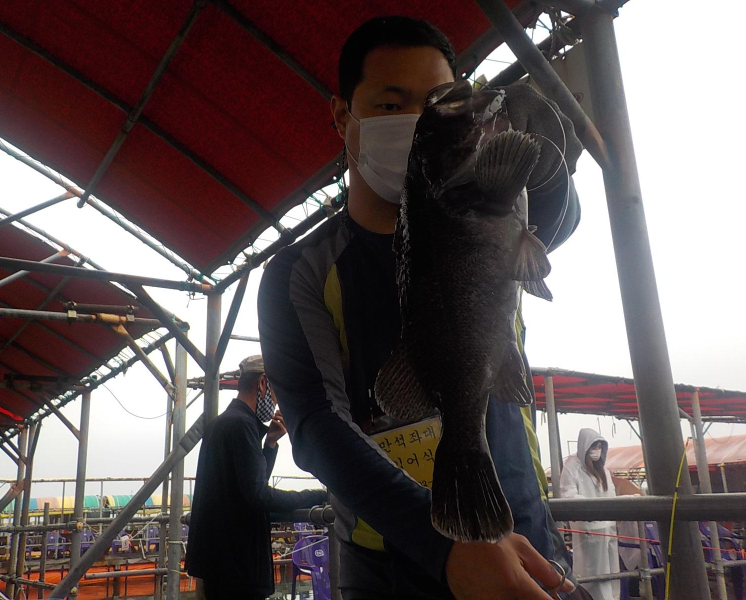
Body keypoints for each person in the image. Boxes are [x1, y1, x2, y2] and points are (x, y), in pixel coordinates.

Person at [258, 16, 585, 600]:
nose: (415, 121)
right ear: (342, 115)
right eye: (391, 105)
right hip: (388, 566)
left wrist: (552, 150)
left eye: (435, 101)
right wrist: (446, 550)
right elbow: (313, 423)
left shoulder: (491, 214)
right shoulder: (301, 271)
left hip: (529, 543)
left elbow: (559, 213)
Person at [185, 355, 327, 600]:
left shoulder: (224, 422)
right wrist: (317, 496)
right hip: (237, 564)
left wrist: (269, 443)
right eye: (275, 392)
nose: (275, 401)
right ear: (262, 383)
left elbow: (249, 484)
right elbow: (258, 495)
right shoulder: (242, 425)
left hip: (220, 561)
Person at [560, 429, 619, 600]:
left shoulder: (603, 470)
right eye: (594, 446)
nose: (597, 451)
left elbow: (611, 495)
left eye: (600, 447)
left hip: (608, 528)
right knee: (593, 575)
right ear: (584, 446)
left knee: (612, 573)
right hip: (589, 530)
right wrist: (593, 510)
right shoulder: (572, 467)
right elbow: (568, 496)